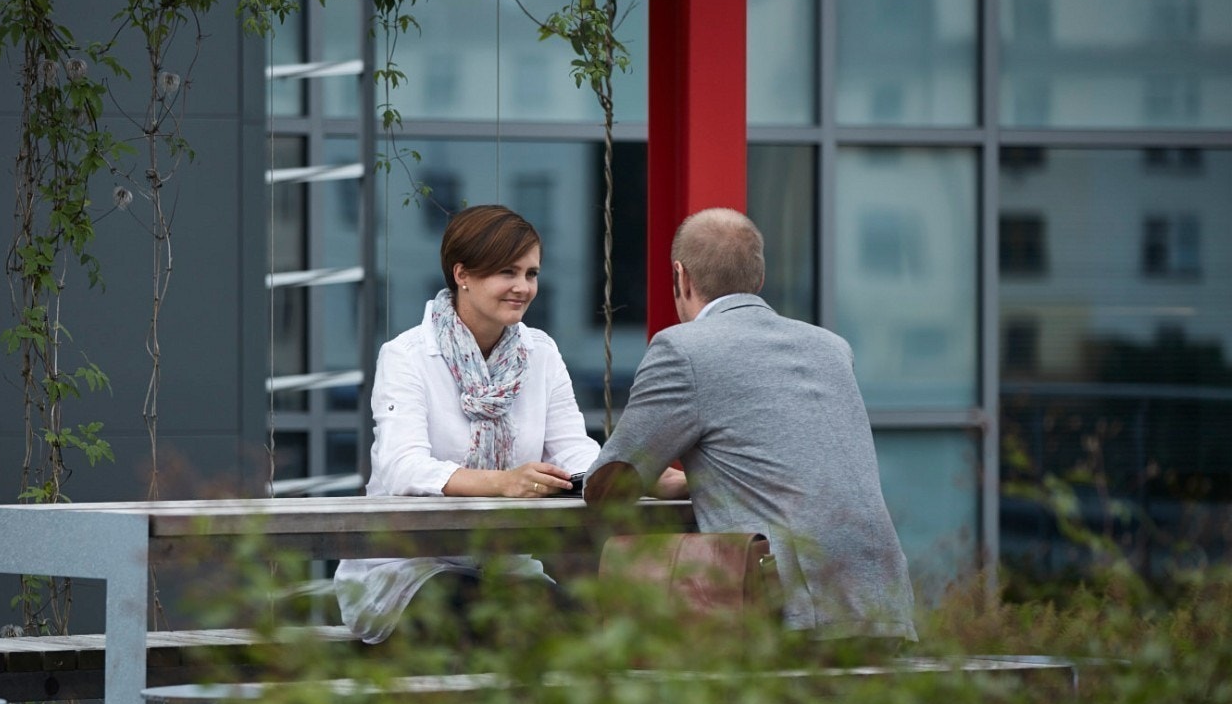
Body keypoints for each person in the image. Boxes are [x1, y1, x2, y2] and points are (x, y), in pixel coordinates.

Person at [585, 207, 918, 642]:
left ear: (681, 276)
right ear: (758, 280)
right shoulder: (831, 347)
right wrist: (701, 482)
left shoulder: (682, 350)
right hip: (884, 604)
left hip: (793, 612)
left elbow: (612, 486)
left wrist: (651, 478)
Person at [334, 204, 601, 643]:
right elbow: (403, 468)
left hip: (504, 565)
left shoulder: (541, 353)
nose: (523, 287)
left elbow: (573, 450)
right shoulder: (407, 355)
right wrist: (503, 482)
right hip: (409, 568)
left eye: (531, 273)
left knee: (578, 630)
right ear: (463, 275)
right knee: (485, 619)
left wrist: (625, 472)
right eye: (507, 272)